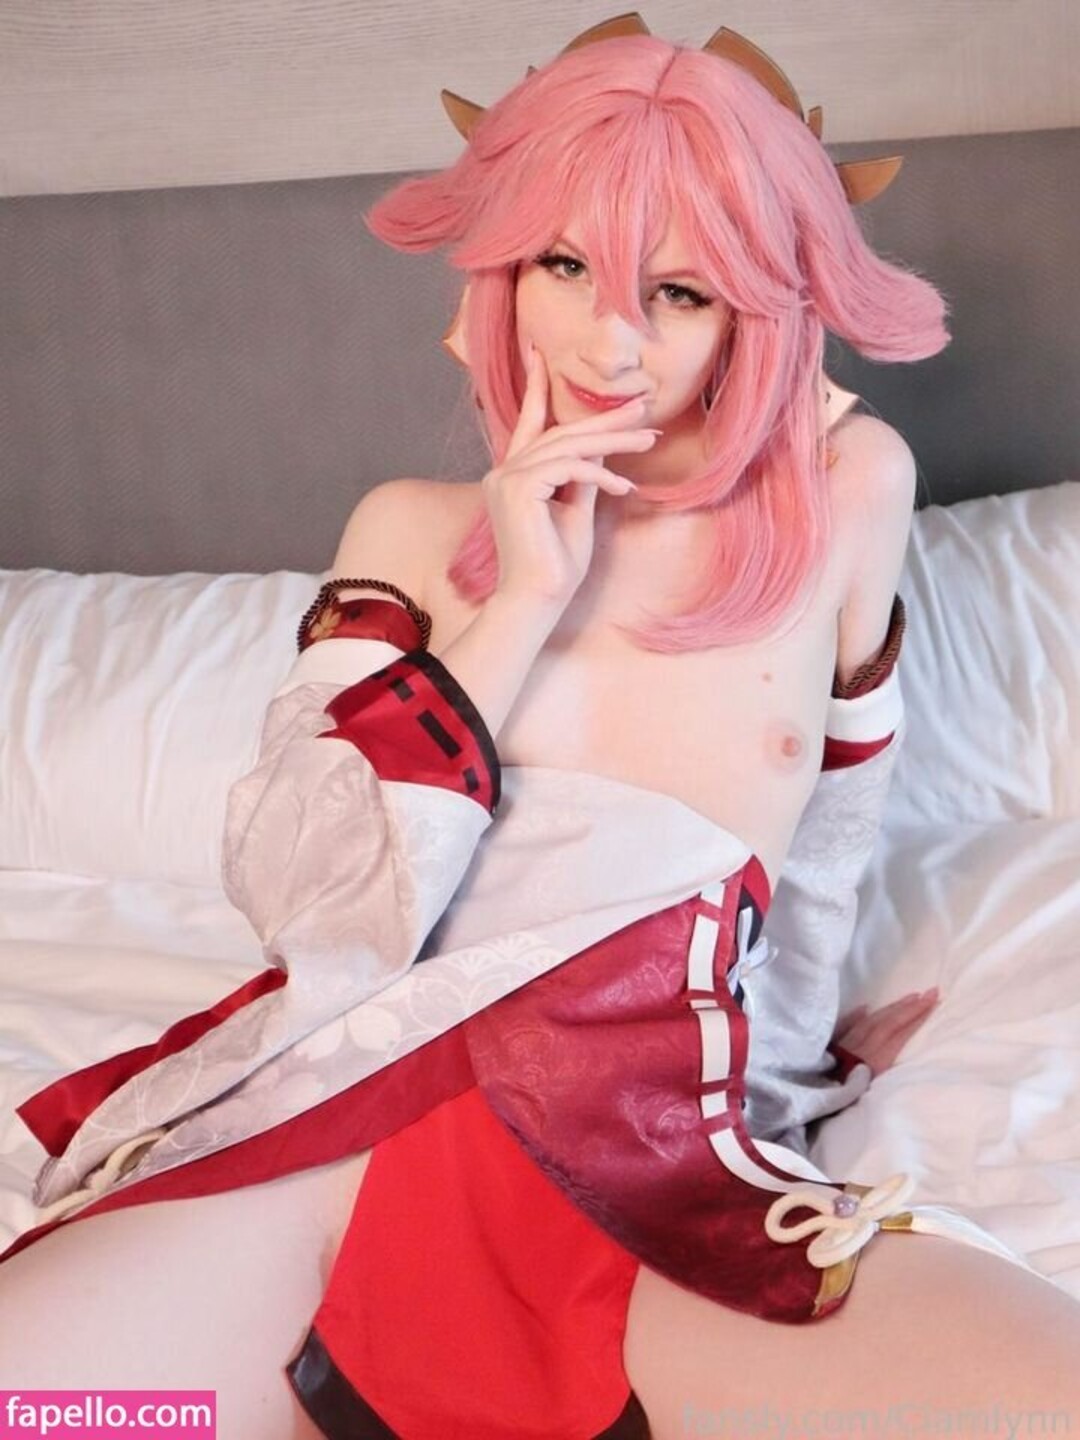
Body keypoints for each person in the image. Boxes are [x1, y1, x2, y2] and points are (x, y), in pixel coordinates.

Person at [2, 16, 1079, 1440]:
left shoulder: (846, 489)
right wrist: (515, 602)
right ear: (503, 267)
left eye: (678, 291)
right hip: (337, 1125)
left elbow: (833, 825)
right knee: (53, 1415)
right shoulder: (405, 529)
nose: (606, 341)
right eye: (565, 266)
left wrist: (795, 1051)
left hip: (650, 1152)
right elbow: (311, 901)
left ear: (754, 314)